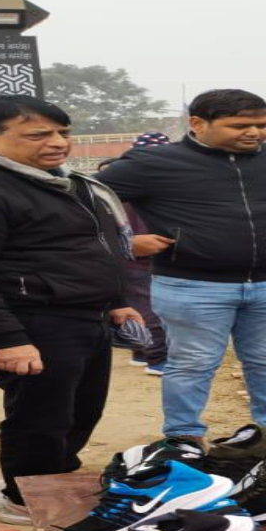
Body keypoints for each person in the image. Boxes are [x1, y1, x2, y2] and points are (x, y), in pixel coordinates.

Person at [0, 95, 142, 524]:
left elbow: (82, 247)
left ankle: (56, 479)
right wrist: (7, 338)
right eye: (39, 134)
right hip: (31, 319)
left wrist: (115, 302)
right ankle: (27, 498)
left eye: (63, 132)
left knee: (80, 410)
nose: (57, 142)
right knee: (40, 416)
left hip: (82, 315)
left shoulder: (60, 181)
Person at [96, 89, 266, 444]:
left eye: (262, 125)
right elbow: (85, 203)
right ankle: (184, 437)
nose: (254, 132)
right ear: (197, 123)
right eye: (239, 126)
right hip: (191, 284)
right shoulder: (154, 164)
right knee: (192, 363)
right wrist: (126, 241)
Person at [97, 158, 169, 373]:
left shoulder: (117, 200)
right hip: (138, 262)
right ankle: (157, 358)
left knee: (137, 307)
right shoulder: (131, 200)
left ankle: (140, 352)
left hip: (131, 262)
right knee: (148, 311)